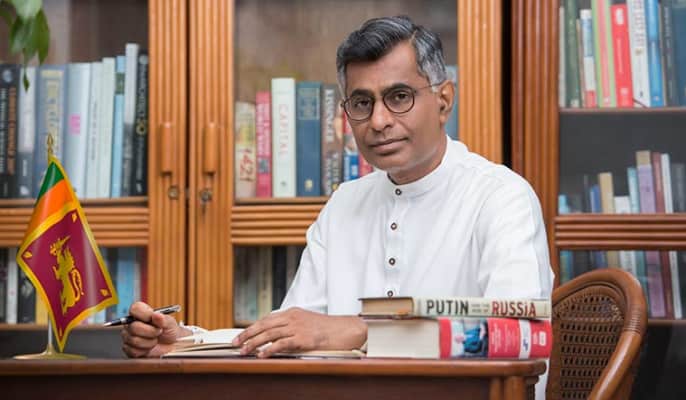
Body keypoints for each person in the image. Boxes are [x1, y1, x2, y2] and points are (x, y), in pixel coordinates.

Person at [122, 16, 553, 395]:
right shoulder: (345, 203)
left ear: (443, 100)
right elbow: (288, 337)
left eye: (399, 97)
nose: (379, 121)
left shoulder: (500, 198)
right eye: (363, 103)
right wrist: (185, 343)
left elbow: (520, 339)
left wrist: (361, 331)